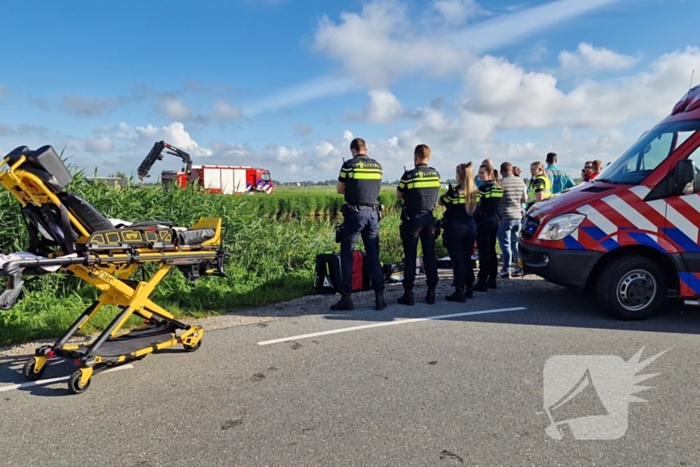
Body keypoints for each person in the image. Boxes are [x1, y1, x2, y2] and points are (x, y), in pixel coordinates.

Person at [331, 137, 386, 312]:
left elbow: (339, 189)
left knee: (346, 256)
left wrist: (350, 187)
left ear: (353, 150)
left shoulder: (349, 164)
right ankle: (380, 297)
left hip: (355, 215)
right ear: (366, 149)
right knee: (373, 256)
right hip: (373, 214)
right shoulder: (377, 166)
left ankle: (346, 298)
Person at [395, 144, 441, 305]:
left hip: (413, 219)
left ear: (415, 157)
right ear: (429, 157)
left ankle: (409, 293)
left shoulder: (409, 175)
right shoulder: (435, 174)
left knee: (410, 257)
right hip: (429, 219)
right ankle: (431, 292)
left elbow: (399, 194)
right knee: (430, 256)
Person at [438, 162, 479, 302]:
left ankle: (459, 291)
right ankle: (470, 289)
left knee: (458, 261)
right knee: (468, 259)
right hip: (471, 227)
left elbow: (441, 201)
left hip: (455, 228)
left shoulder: (454, 193)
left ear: (459, 175)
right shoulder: (476, 192)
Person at [473, 162, 503, 292]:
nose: (479, 176)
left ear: (490, 174)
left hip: (484, 220)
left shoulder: (484, 189)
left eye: (482, 173)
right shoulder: (499, 188)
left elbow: (476, 204)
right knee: (491, 250)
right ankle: (492, 279)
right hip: (495, 220)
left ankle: (482, 280)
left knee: (484, 252)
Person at [497, 162, 527, 279]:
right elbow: (524, 199)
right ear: (511, 170)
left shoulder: (500, 183)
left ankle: (506, 269)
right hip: (517, 217)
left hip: (504, 217)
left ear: (501, 172)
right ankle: (519, 268)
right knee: (515, 244)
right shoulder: (521, 182)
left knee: (505, 245)